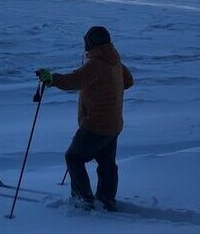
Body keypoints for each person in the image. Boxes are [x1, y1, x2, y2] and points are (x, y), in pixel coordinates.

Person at [36, 26, 134, 211]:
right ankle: (106, 199)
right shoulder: (114, 59)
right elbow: (128, 81)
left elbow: (74, 81)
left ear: (92, 42)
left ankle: (84, 198)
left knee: (73, 157)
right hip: (113, 124)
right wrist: (105, 86)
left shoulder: (96, 64)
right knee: (107, 164)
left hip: (95, 124)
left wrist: (52, 79)